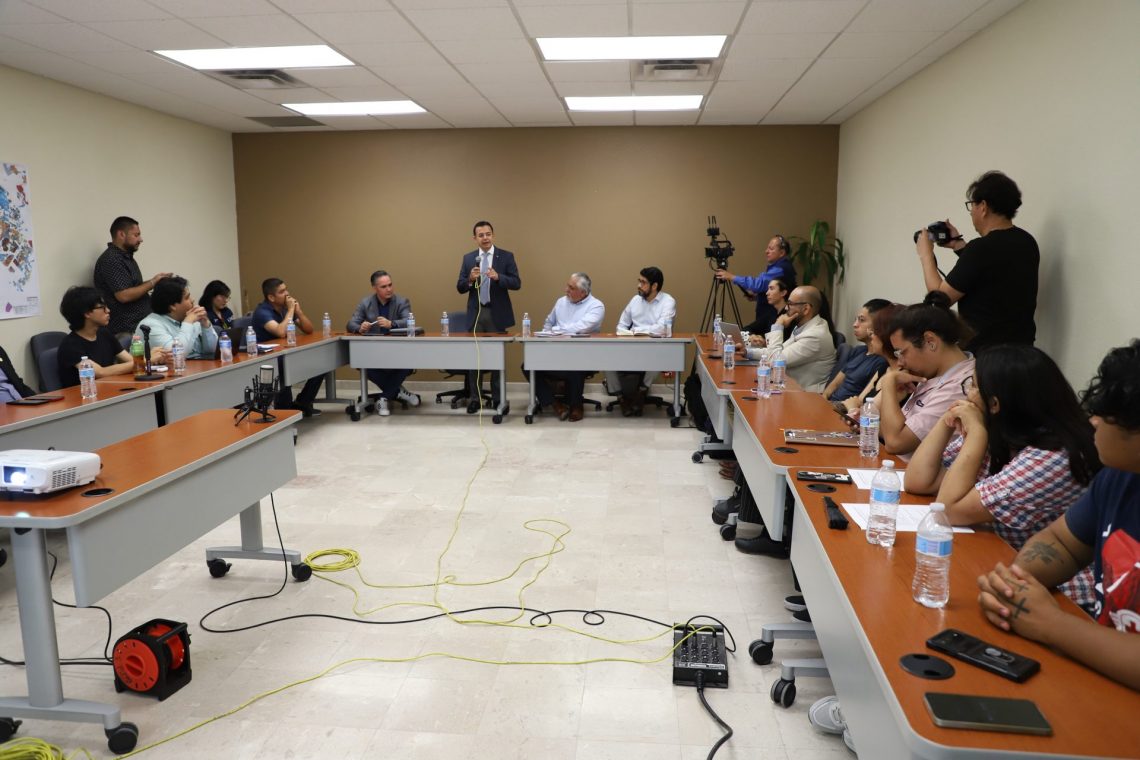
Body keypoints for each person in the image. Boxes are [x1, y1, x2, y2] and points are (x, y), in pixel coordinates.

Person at [977, 341, 1140, 692]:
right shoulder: (1119, 476)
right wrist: (1014, 587)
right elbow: (1062, 542)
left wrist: (1051, 624)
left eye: (1106, 413)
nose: (1092, 420)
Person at [908, 345, 1101, 612]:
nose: (967, 394)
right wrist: (946, 420)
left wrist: (976, 435)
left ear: (995, 404)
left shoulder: (1054, 457)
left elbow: (949, 511)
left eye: (973, 387)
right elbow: (918, 481)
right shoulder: (1002, 430)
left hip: (1057, 595)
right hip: (997, 560)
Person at [915, 170, 1039, 352]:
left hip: (987, 354)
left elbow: (938, 301)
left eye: (971, 205)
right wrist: (958, 245)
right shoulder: (1027, 240)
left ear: (983, 207)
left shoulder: (981, 248)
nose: (971, 212)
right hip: (1023, 349)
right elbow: (990, 271)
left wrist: (926, 255)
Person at [875, 292, 975, 459]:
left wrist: (888, 384)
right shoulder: (934, 373)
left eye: (902, 352)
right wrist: (866, 425)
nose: (900, 363)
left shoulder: (960, 387)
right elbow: (902, 429)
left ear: (930, 341)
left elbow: (895, 443)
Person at [456, 220, 521, 414]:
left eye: (488, 234)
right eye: (481, 235)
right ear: (474, 238)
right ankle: (475, 399)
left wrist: (499, 277)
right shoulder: (469, 258)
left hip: (496, 313)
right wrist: (470, 279)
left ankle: (498, 399)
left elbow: (517, 283)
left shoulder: (506, 256)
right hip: (476, 314)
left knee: (496, 359)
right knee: (475, 359)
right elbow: (460, 287)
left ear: (493, 235)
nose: (485, 238)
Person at [346, 270, 420, 417]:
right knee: (361, 362)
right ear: (375, 288)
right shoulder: (366, 303)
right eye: (384, 287)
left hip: (397, 350)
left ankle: (384, 398)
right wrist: (360, 327)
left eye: (390, 285)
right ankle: (397, 392)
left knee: (408, 362)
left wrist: (391, 324)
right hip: (373, 351)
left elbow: (408, 321)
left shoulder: (402, 302)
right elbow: (350, 323)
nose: (389, 289)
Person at [532, 272, 604, 422]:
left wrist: (558, 330)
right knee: (528, 365)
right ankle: (555, 404)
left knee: (575, 363)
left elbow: (580, 328)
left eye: (571, 288)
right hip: (556, 351)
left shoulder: (596, 306)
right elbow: (548, 323)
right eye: (567, 286)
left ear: (583, 292)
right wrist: (546, 338)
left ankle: (576, 405)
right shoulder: (561, 302)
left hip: (583, 353)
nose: (566, 290)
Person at [252, 278, 324, 418]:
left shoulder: (285, 309)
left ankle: (302, 402)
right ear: (271, 297)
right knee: (284, 368)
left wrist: (299, 312)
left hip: (286, 353)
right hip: (269, 358)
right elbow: (280, 332)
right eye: (282, 291)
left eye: (286, 289)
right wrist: (291, 310)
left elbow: (308, 329)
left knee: (321, 363)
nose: (287, 294)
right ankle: (285, 410)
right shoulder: (262, 312)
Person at [610, 266, 676, 416]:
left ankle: (641, 393)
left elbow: (662, 328)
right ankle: (621, 399)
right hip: (630, 346)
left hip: (654, 347)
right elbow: (621, 325)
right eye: (639, 281)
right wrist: (628, 333)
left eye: (643, 282)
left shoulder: (668, 301)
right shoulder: (635, 300)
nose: (638, 285)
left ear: (654, 286)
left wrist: (638, 331)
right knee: (606, 357)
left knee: (659, 355)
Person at [93, 216, 171, 339]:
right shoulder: (111, 259)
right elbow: (123, 296)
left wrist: (157, 280)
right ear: (121, 234)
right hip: (127, 329)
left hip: (141, 324)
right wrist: (152, 283)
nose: (141, 239)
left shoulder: (126, 257)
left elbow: (134, 287)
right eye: (136, 235)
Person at [750, 285, 835, 392]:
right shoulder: (805, 326)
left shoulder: (815, 336)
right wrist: (747, 352)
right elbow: (778, 352)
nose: (786, 308)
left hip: (805, 394)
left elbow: (775, 360)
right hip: (788, 387)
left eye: (790, 304)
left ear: (806, 309)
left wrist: (778, 326)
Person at [56, 286, 136, 388]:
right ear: (87, 313)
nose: (108, 310)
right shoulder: (70, 346)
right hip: (84, 394)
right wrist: (144, 362)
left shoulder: (104, 334)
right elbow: (100, 373)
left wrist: (143, 361)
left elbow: (130, 360)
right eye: (103, 308)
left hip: (107, 388)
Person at [714, 234, 797, 334]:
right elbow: (771, 289)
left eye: (771, 249)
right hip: (769, 314)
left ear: (782, 253)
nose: (766, 251)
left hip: (774, 315)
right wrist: (758, 297)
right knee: (748, 331)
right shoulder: (779, 267)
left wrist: (732, 277)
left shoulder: (781, 269)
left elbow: (758, 285)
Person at [820, 298, 891, 403]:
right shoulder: (858, 351)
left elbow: (861, 400)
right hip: (829, 404)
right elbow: (834, 385)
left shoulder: (882, 361)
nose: (855, 324)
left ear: (879, 325)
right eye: (856, 319)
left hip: (845, 409)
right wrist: (823, 399)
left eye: (861, 320)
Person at [137, 276, 219, 359]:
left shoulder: (188, 317)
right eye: (187, 297)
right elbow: (176, 356)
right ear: (172, 306)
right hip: (173, 366)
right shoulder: (150, 325)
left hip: (199, 365)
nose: (192, 300)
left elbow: (212, 350)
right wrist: (188, 322)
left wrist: (205, 325)